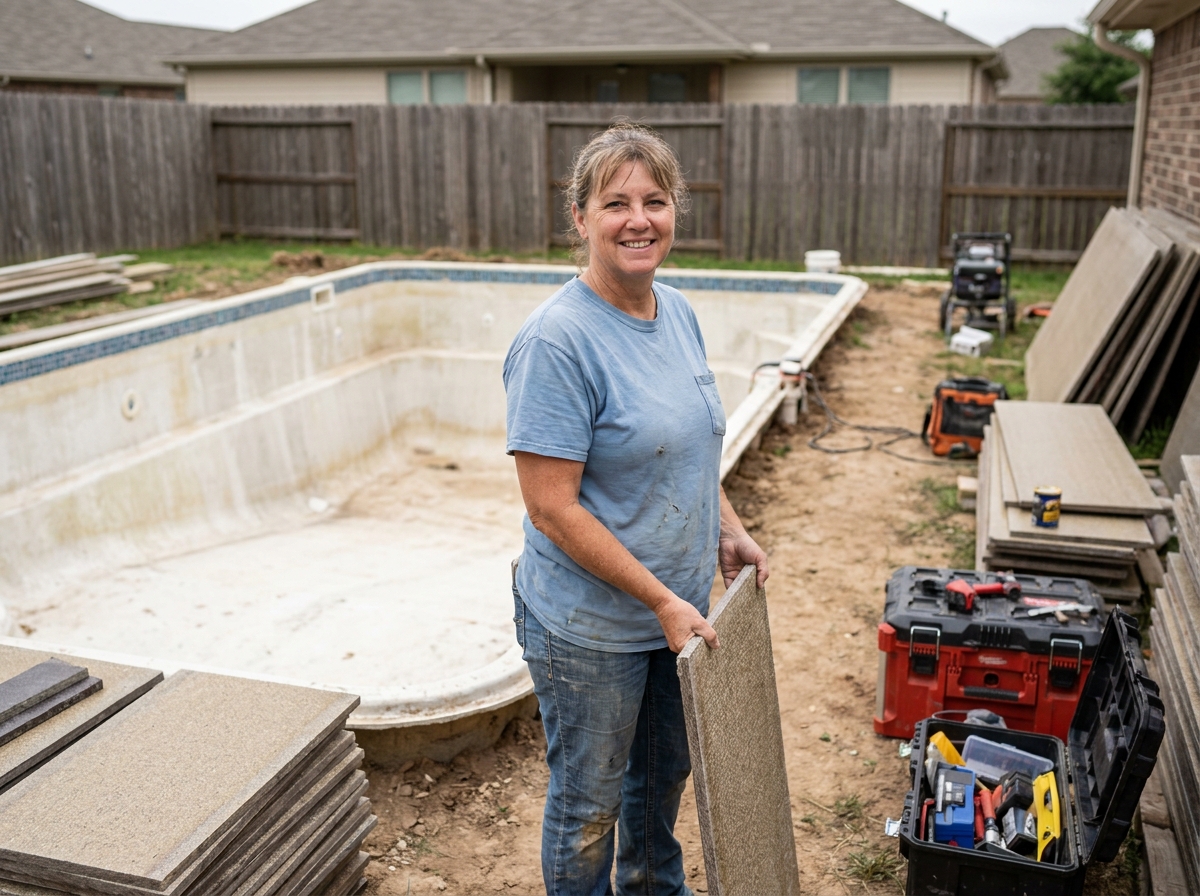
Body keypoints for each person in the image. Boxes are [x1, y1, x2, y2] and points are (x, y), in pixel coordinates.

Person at [502, 122, 768, 896]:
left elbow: (686, 448)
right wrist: (660, 599)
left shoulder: (676, 311)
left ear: (675, 210)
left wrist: (728, 529)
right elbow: (551, 509)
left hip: (673, 615)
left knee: (660, 785)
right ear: (580, 217)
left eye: (655, 200)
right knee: (589, 807)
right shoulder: (557, 342)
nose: (638, 220)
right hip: (590, 632)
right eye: (615, 203)